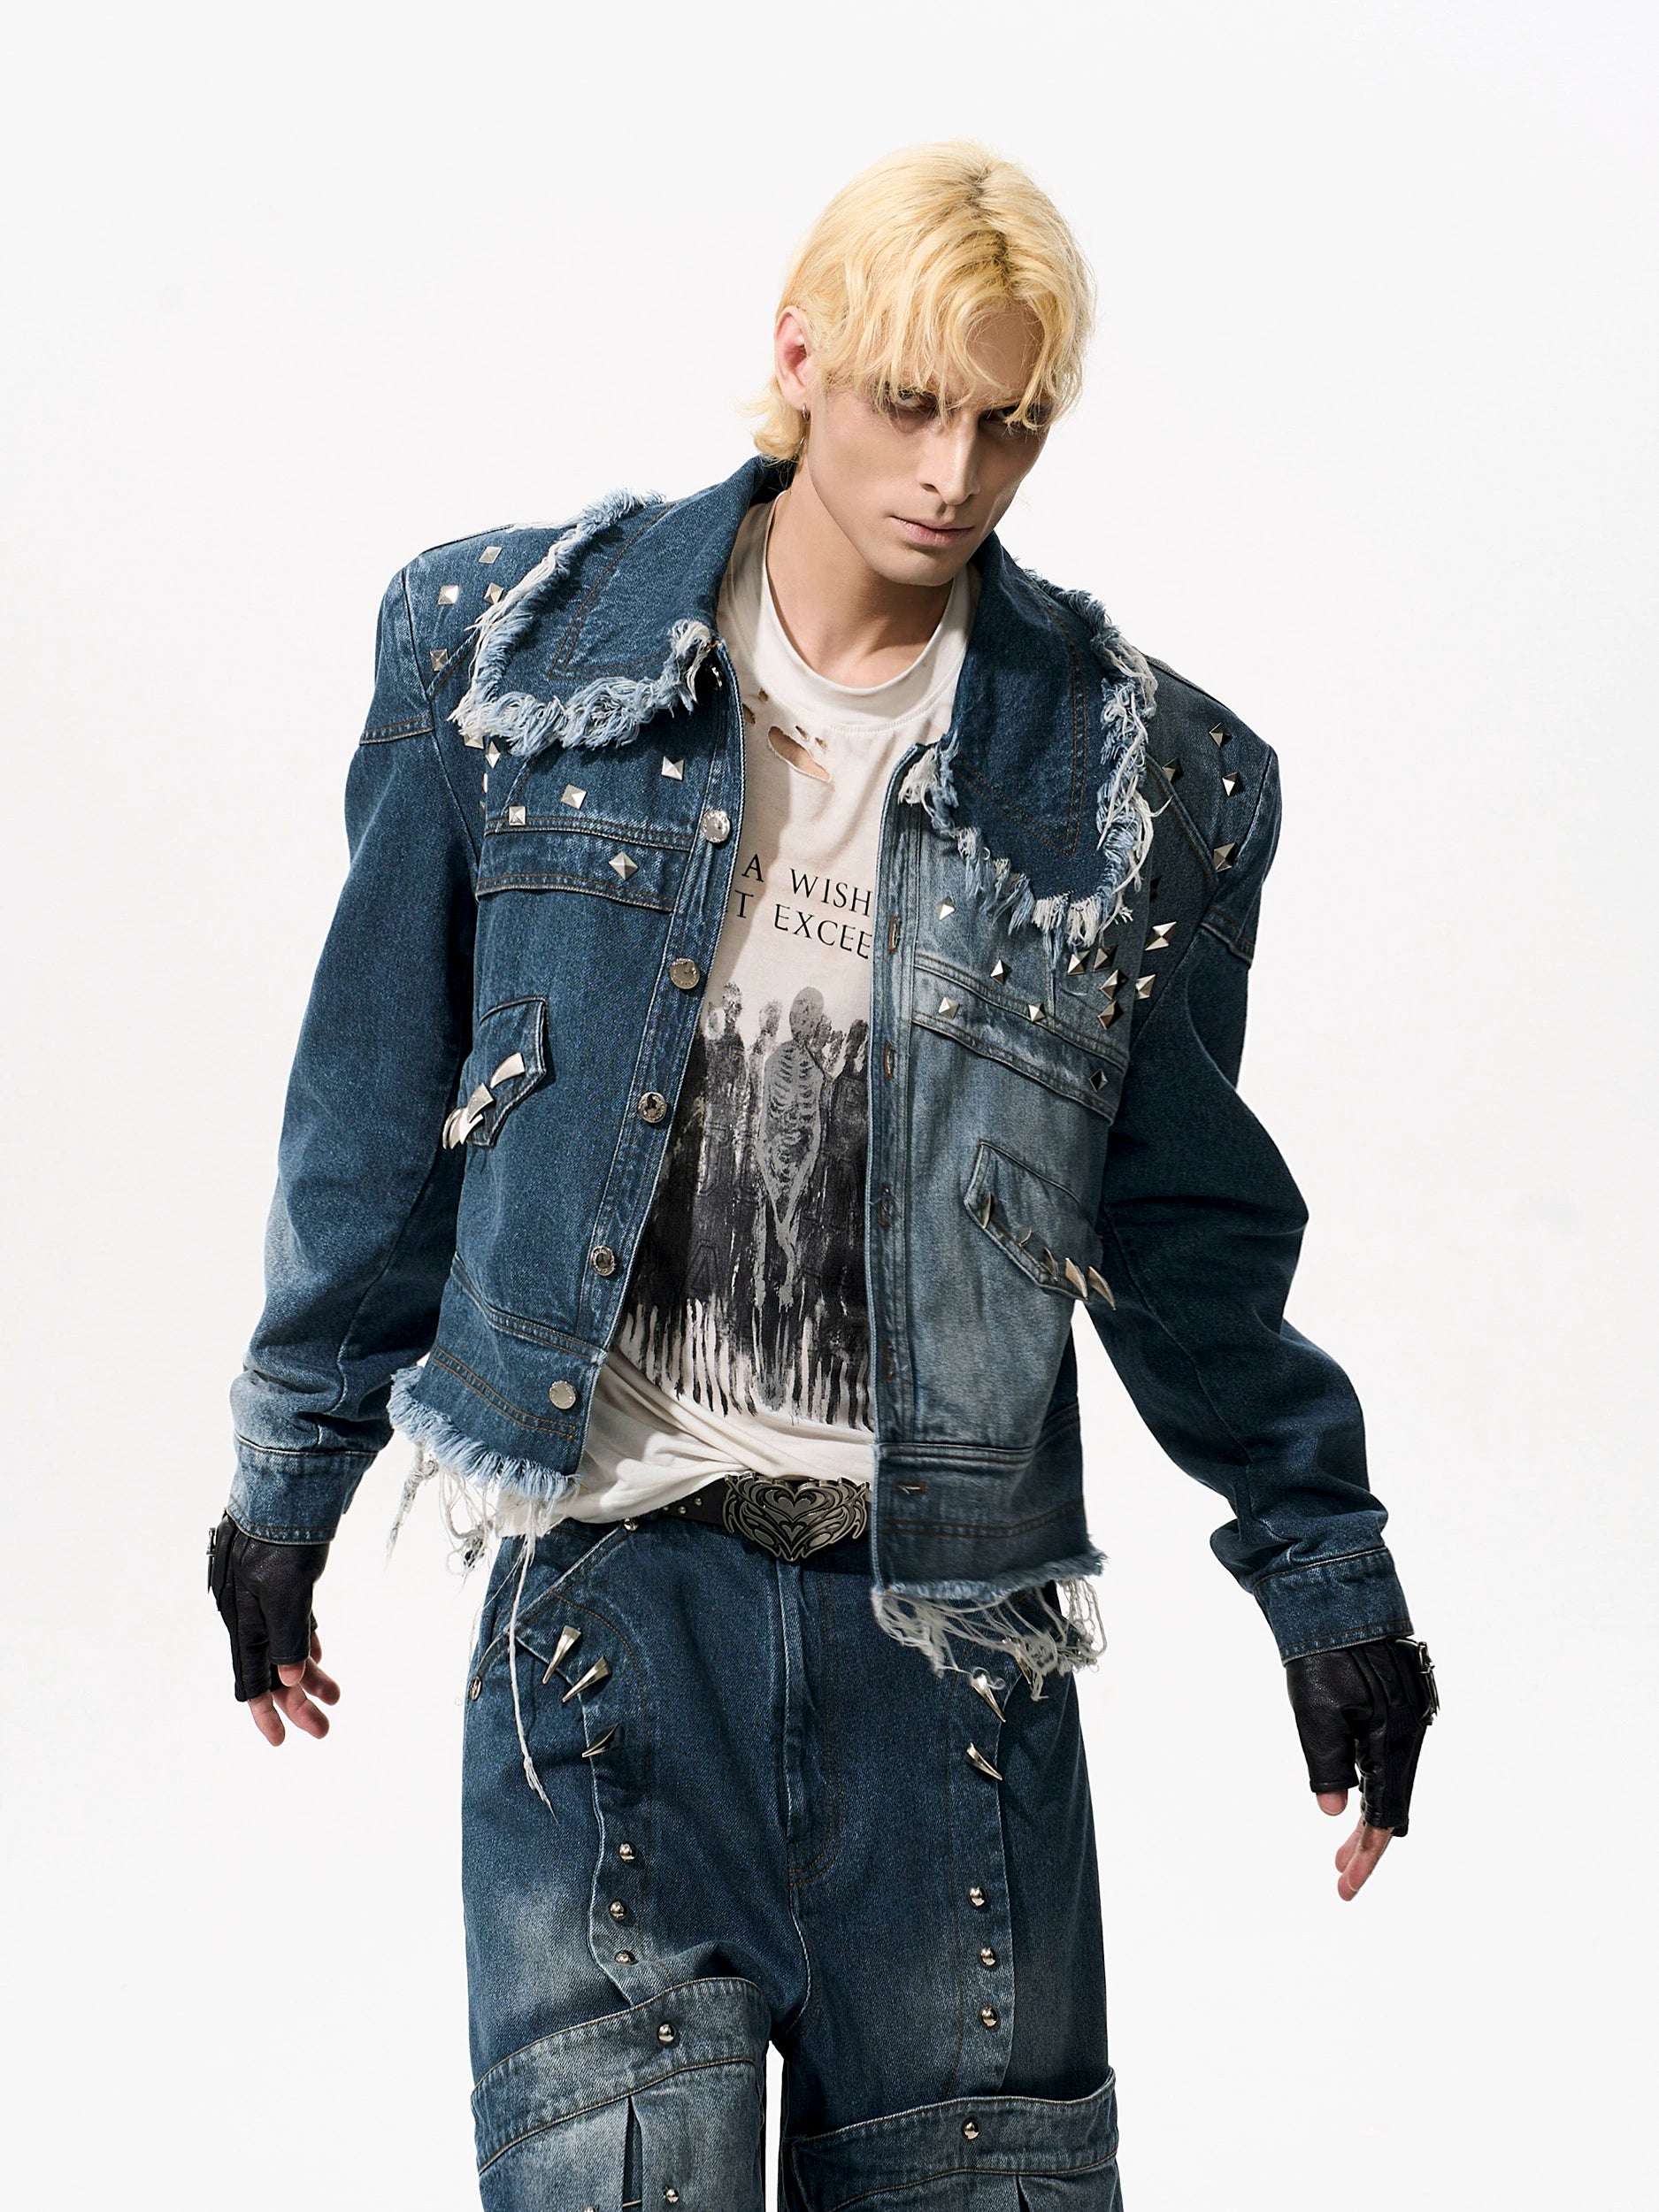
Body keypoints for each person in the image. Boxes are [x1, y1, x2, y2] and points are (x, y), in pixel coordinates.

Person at [209, 141, 1436, 2208]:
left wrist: (1328, 1585)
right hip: (608, 1637)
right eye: (908, 401)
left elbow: (1184, 1240)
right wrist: (284, 1477)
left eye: (1006, 422)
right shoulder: (513, 664)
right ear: (797, 357)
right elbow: (374, 1107)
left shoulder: (1137, 782)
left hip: (948, 1674)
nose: (953, 472)